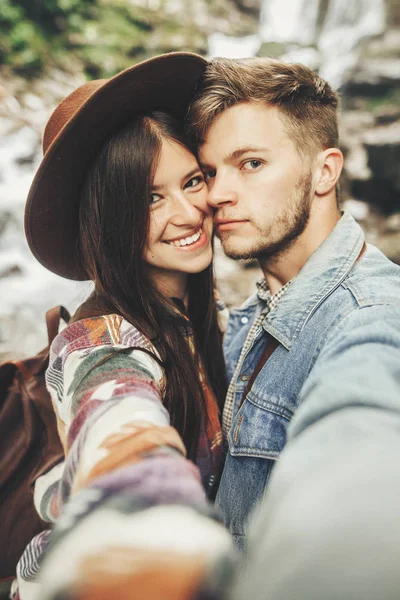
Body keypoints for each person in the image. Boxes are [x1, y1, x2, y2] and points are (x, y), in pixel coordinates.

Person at [15, 52, 234, 600]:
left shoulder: (202, 319)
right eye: (151, 198)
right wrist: (144, 517)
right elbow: (120, 417)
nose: (188, 213)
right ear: (109, 217)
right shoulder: (98, 344)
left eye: (192, 181)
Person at [186, 56, 400, 551]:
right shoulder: (254, 316)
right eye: (210, 172)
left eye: (251, 164)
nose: (217, 194)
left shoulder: (372, 316)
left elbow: (360, 432)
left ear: (325, 171)